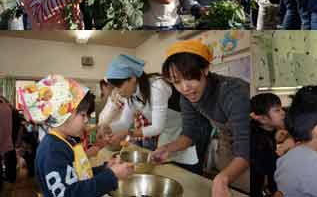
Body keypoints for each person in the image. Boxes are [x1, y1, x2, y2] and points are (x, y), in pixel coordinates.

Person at [151, 39, 250, 196]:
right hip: (227, 147)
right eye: (176, 82)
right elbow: (190, 134)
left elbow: (246, 148)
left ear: (205, 69)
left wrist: (222, 178)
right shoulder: (187, 97)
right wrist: (167, 149)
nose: (184, 87)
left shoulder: (233, 92)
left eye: (189, 78)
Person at [18, 75, 134, 196]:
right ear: (62, 116)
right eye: (83, 115)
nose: (86, 121)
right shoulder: (52, 151)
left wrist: (105, 169)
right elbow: (70, 193)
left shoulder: (66, 141)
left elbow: (79, 175)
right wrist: (112, 175)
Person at [101, 54, 198, 168]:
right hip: (167, 134)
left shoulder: (157, 86)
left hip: (188, 132)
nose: (117, 92)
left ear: (132, 78)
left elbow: (157, 127)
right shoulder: (132, 95)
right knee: (168, 168)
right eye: (115, 88)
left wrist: (128, 133)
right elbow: (124, 123)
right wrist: (106, 127)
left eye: (119, 86)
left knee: (189, 171)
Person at [250, 93, 285, 197]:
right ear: (263, 119)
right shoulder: (255, 138)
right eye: (277, 110)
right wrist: (284, 147)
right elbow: (267, 167)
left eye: (281, 108)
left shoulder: (269, 130)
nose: (283, 113)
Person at [0, 96, 15, 192]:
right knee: (9, 162)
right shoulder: (7, 107)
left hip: (3, 140)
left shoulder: (2, 108)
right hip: (8, 139)